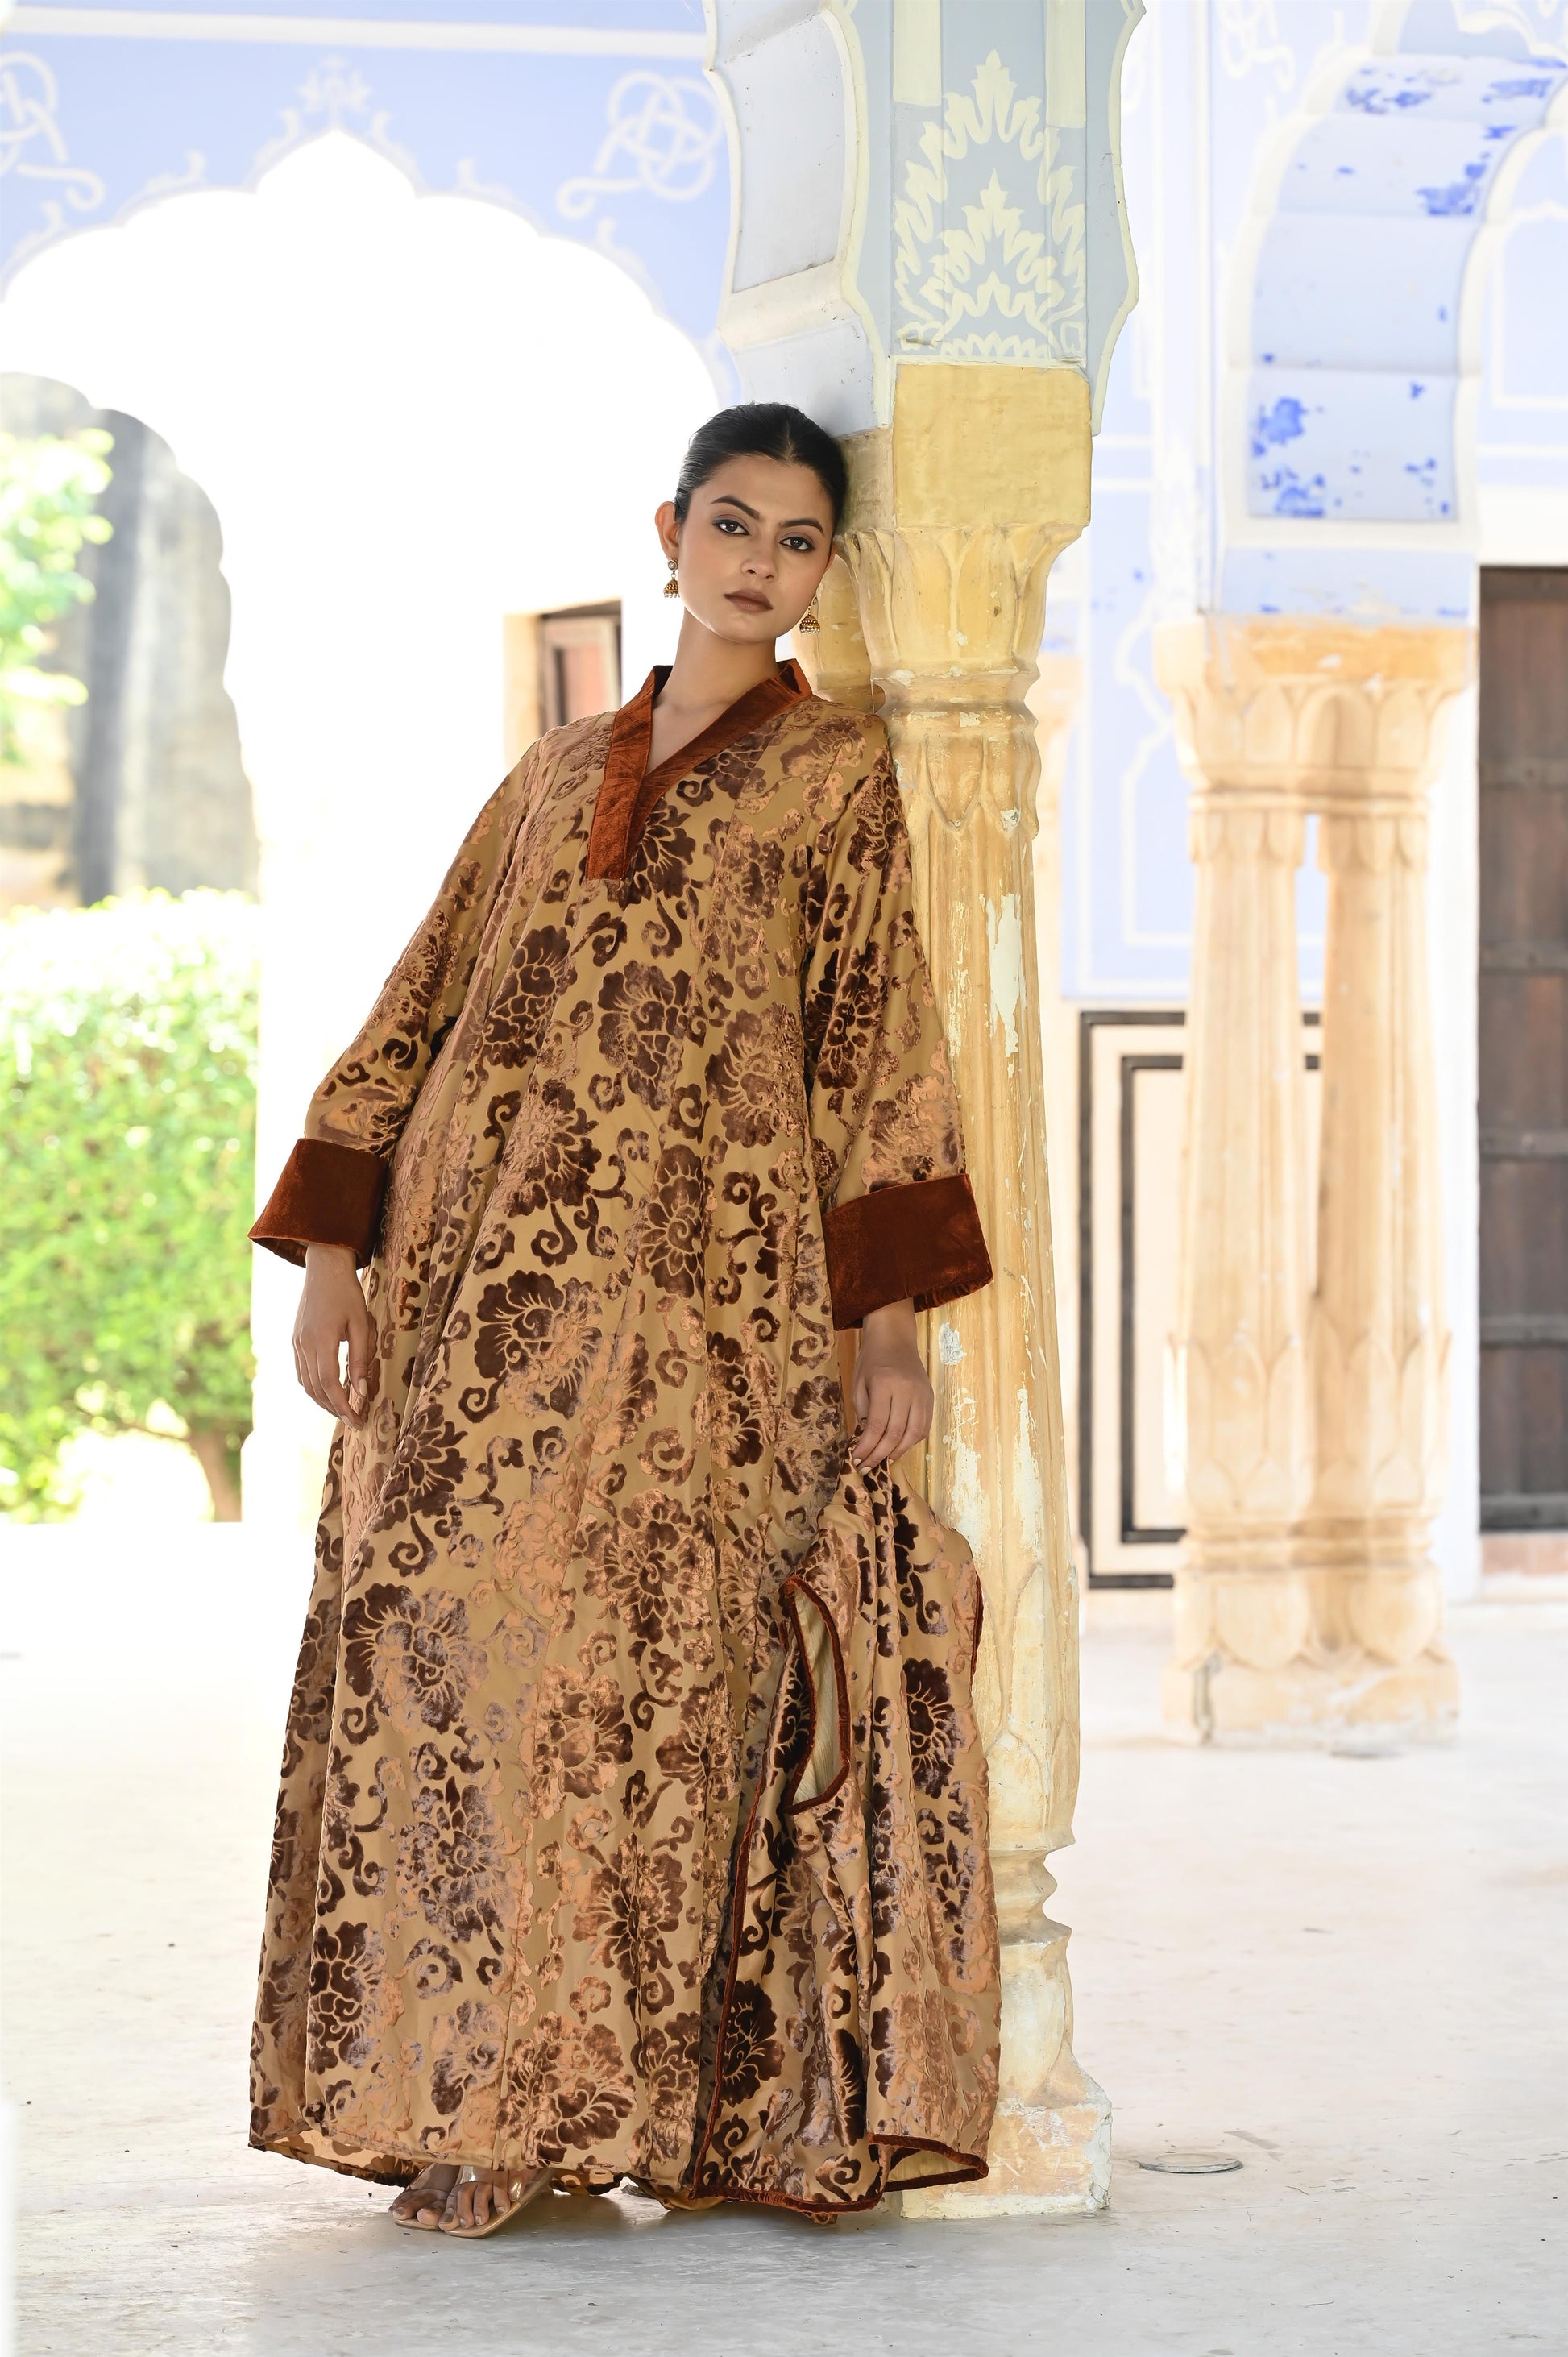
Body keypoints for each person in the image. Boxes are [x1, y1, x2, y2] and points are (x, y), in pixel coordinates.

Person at [247, 402, 1001, 2235]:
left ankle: (587, 2113)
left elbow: (875, 1044)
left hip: (704, 1339)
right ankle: (457, 2085)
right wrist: (339, 1254)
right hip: (473, 1311)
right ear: (670, 533)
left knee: (641, 1700)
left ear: (824, 571)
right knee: (443, 1659)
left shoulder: (834, 778)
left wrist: (886, 1322)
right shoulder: (552, 769)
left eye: (797, 540)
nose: (759, 562)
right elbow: (420, 1000)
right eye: (731, 524)